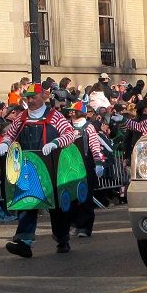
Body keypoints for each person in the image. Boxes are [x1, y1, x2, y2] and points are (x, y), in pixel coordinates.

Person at [0, 83, 78, 258]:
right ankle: (24, 242)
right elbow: (11, 134)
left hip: (53, 167)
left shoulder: (55, 116)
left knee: (56, 207)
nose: (31, 100)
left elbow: (70, 134)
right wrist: (4, 143)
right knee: (27, 201)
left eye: (34, 97)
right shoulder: (22, 117)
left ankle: (62, 238)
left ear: (43, 97)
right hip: (29, 167)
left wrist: (55, 143)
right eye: (28, 97)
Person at [65, 101, 105, 238]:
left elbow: (94, 145)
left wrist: (98, 163)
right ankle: (73, 224)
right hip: (71, 165)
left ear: (80, 113)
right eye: (70, 111)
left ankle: (85, 227)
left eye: (73, 111)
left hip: (85, 164)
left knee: (85, 197)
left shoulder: (89, 127)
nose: (70, 113)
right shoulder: (67, 126)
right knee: (71, 197)